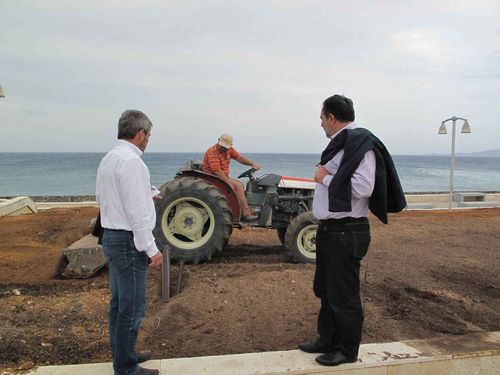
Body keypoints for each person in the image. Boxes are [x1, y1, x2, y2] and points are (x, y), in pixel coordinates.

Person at [298, 95, 406, 366]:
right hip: (331, 229)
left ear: (332, 117)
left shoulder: (360, 144)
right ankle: (327, 340)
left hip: (346, 230)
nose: (321, 124)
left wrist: (324, 177)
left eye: (322, 118)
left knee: (344, 294)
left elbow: (363, 188)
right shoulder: (344, 144)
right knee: (326, 289)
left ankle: (347, 350)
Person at [96, 110, 163, 375]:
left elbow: (105, 196)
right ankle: (125, 368)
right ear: (141, 133)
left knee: (118, 304)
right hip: (128, 242)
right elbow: (137, 214)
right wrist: (151, 249)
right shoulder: (133, 162)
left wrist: (148, 193)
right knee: (132, 307)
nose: (148, 140)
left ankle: (124, 354)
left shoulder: (110, 158)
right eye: (148, 135)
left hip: (112, 236)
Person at [202, 133, 261, 221]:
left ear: (230, 146)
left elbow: (239, 158)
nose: (223, 148)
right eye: (222, 146)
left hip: (221, 176)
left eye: (225, 147)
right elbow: (217, 171)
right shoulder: (212, 152)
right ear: (218, 141)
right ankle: (246, 214)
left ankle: (244, 209)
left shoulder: (229, 150)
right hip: (213, 177)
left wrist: (252, 164)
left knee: (240, 185)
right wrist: (228, 183)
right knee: (238, 187)